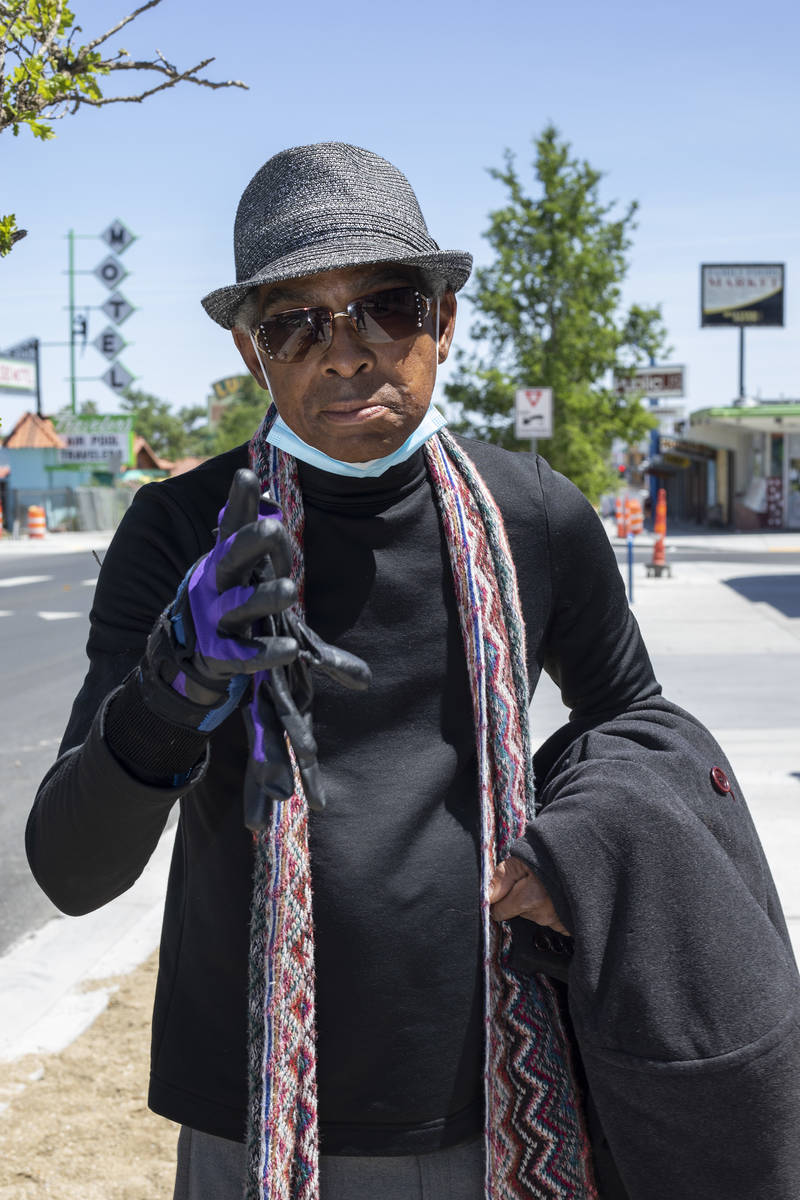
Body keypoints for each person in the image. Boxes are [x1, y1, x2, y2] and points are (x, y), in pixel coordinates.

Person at [27, 144, 800, 1200]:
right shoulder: (180, 532)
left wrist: (574, 850)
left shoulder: (532, 512)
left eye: (382, 306)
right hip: (251, 1116)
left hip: (500, 1099)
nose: (342, 353)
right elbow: (74, 872)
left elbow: (637, 723)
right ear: (254, 357)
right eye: (293, 321)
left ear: (442, 321)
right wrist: (177, 678)